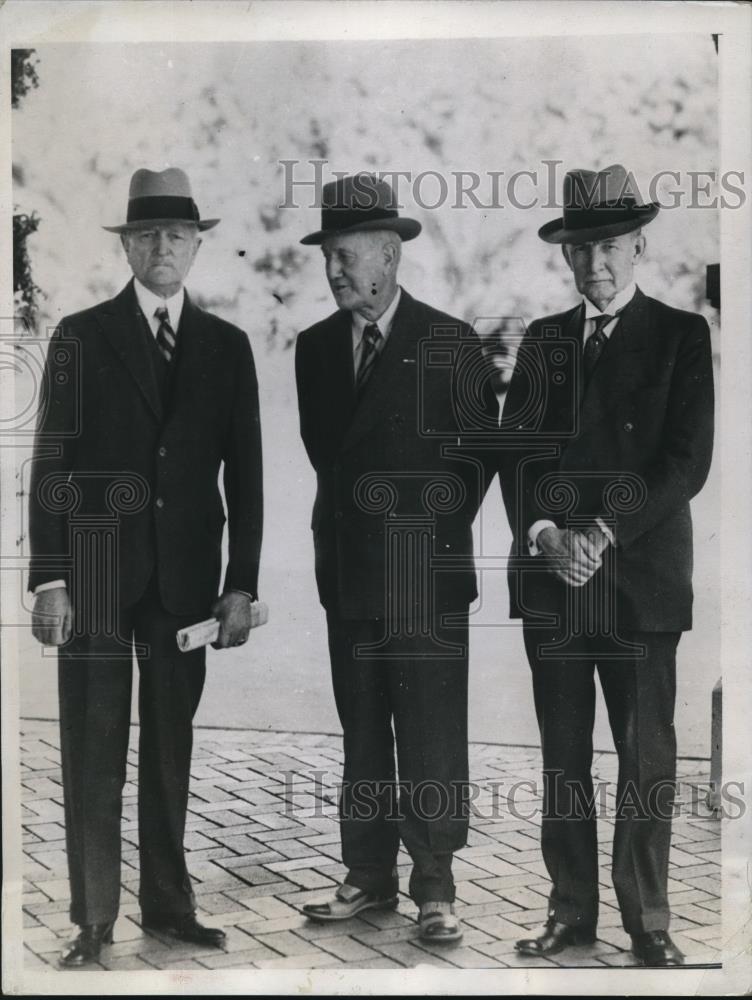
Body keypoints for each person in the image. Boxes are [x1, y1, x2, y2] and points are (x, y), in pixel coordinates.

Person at [28, 167, 263, 967]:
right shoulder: (81, 336)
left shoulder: (228, 348)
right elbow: (51, 461)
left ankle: (169, 907)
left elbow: (249, 476)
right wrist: (49, 576)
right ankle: (92, 918)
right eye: (147, 235)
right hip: (93, 574)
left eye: (177, 235)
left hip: (186, 583)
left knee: (171, 747)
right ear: (127, 245)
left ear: (197, 246)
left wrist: (241, 585)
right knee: (94, 746)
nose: (163, 248)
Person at [500, 164, 714, 967]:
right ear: (566, 257)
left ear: (639, 246)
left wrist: (602, 532)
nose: (597, 264)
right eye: (582, 249)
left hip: (639, 582)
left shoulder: (681, 336)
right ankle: (571, 913)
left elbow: (686, 462)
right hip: (555, 583)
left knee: (644, 756)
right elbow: (517, 458)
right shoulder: (544, 341)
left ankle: (648, 921)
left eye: (612, 247)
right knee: (563, 757)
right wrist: (550, 532)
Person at [294, 174, 498, 943]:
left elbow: (480, 460)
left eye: (347, 256)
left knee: (431, 731)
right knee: (363, 734)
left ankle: (436, 889)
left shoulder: (451, 341)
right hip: (348, 572)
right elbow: (328, 457)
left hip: (427, 573)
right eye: (328, 259)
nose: (336, 271)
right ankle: (368, 876)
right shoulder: (314, 349)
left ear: (389, 253)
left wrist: (425, 532)